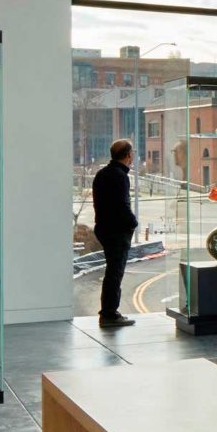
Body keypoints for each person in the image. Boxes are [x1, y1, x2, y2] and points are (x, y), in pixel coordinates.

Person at [91, 139, 138, 327]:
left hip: (103, 227)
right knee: (115, 272)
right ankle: (109, 314)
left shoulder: (102, 173)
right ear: (128, 155)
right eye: (132, 152)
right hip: (116, 230)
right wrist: (133, 223)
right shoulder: (120, 176)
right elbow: (122, 206)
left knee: (112, 271)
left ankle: (109, 312)